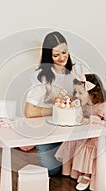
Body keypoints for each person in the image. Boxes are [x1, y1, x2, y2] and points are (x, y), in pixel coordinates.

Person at [55, 74, 106, 191]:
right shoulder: (87, 105)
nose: (77, 96)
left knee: (92, 150)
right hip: (93, 137)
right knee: (82, 145)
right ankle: (86, 173)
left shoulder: (105, 107)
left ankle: (89, 175)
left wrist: (95, 120)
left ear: (91, 93)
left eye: (80, 93)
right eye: (76, 92)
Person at [25, 31, 81, 176]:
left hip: (72, 128)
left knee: (78, 166)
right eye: (56, 55)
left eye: (64, 52)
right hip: (49, 130)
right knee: (54, 171)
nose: (62, 58)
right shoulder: (41, 77)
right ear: (48, 56)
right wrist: (58, 110)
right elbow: (29, 112)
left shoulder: (76, 71)